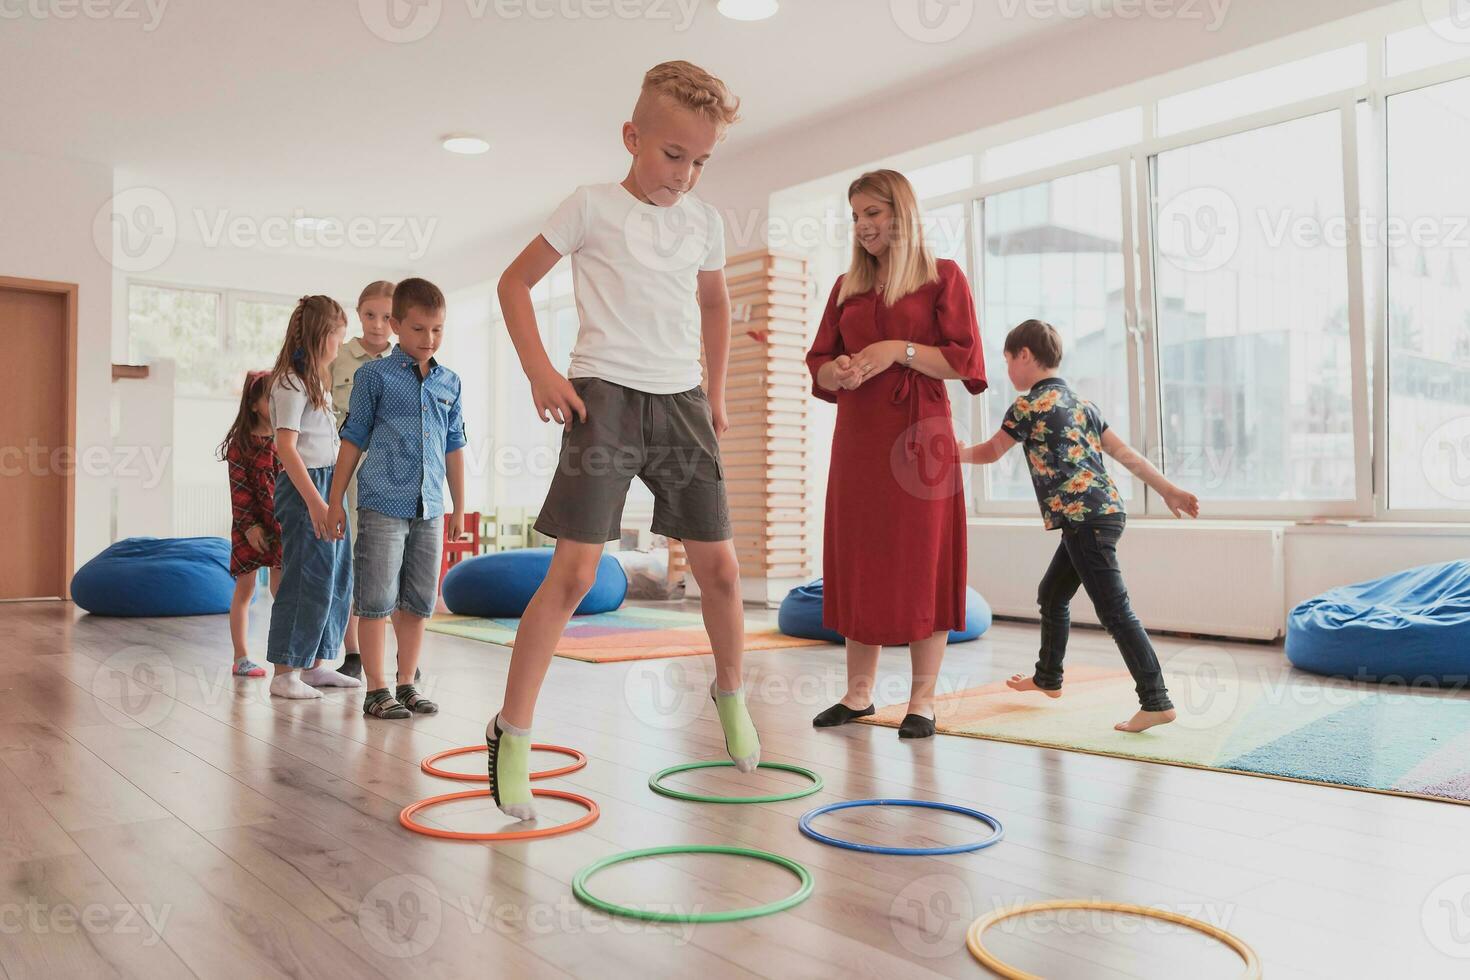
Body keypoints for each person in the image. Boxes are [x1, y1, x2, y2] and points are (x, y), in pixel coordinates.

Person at [485, 61, 752, 819]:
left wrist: (718, 394)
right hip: (602, 396)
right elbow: (512, 284)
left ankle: (729, 694)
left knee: (723, 571)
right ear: (632, 138)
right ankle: (512, 734)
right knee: (571, 577)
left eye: (701, 161)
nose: (686, 175)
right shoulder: (590, 207)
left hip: (682, 400)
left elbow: (715, 303)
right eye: (674, 156)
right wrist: (541, 373)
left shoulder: (704, 222)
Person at [805, 168, 987, 740]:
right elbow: (819, 362)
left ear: (900, 214)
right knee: (861, 556)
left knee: (923, 558)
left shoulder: (943, 277)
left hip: (920, 435)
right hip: (859, 438)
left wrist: (895, 350)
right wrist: (836, 369)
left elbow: (963, 361)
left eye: (873, 213)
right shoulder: (844, 287)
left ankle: (922, 702)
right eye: (856, 215)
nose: (862, 226)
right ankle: (858, 697)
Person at [959, 319, 1200, 733]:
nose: (1008, 371)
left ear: (1025, 356)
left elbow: (991, 452)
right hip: (1104, 512)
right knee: (1052, 594)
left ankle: (1156, 700)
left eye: (1007, 361)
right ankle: (1048, 678)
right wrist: (1169, 490)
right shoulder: (1083, 405)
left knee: (1115, 612)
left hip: (1083, 518)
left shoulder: (1027, 407)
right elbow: (1128, 456)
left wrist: (956, 454)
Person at [328, 278, 466, 720]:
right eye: (420, 329)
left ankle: (406, 683)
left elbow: (454, 445)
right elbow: (352, 440)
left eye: (438, 330)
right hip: (382, 503)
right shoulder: (374, 377)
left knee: (419, 600)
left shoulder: (450, 382)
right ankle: (376, 689)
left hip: (429, 506)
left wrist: (458, 506)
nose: (429, 339)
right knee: (376, 598)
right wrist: (334, 503)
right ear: (396, 325)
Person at [264, 296, 360, 698]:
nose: (341, 344)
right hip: (305, 488)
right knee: (306, 577)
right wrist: (316, 502)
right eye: (338, 336)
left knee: (336, 575)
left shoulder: (315, 379)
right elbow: (286, 448)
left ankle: (316, 663)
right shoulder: (289, 381)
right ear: (323, 336)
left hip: (326, 483)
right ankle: (286, 672)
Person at [329, 280, 395, 680]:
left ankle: (400, 659)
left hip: (392, 474)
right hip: (349, 472)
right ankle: (353, 653)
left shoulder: (407, 359)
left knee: (392, 563)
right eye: (370, 315)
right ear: (359, 314)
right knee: (356, 558)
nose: (377, 324)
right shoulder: (338, 358)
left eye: (387, 317)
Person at [218, 369, 282, 678]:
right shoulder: (240, 445)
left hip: (282, 523)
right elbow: (239, 491)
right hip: (250, 525)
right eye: (271, 399)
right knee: (246, 588)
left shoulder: (287, 441)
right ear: (254, 404)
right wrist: (251, 527)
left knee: (281, 592)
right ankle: (241, 656)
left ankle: (287, 656)